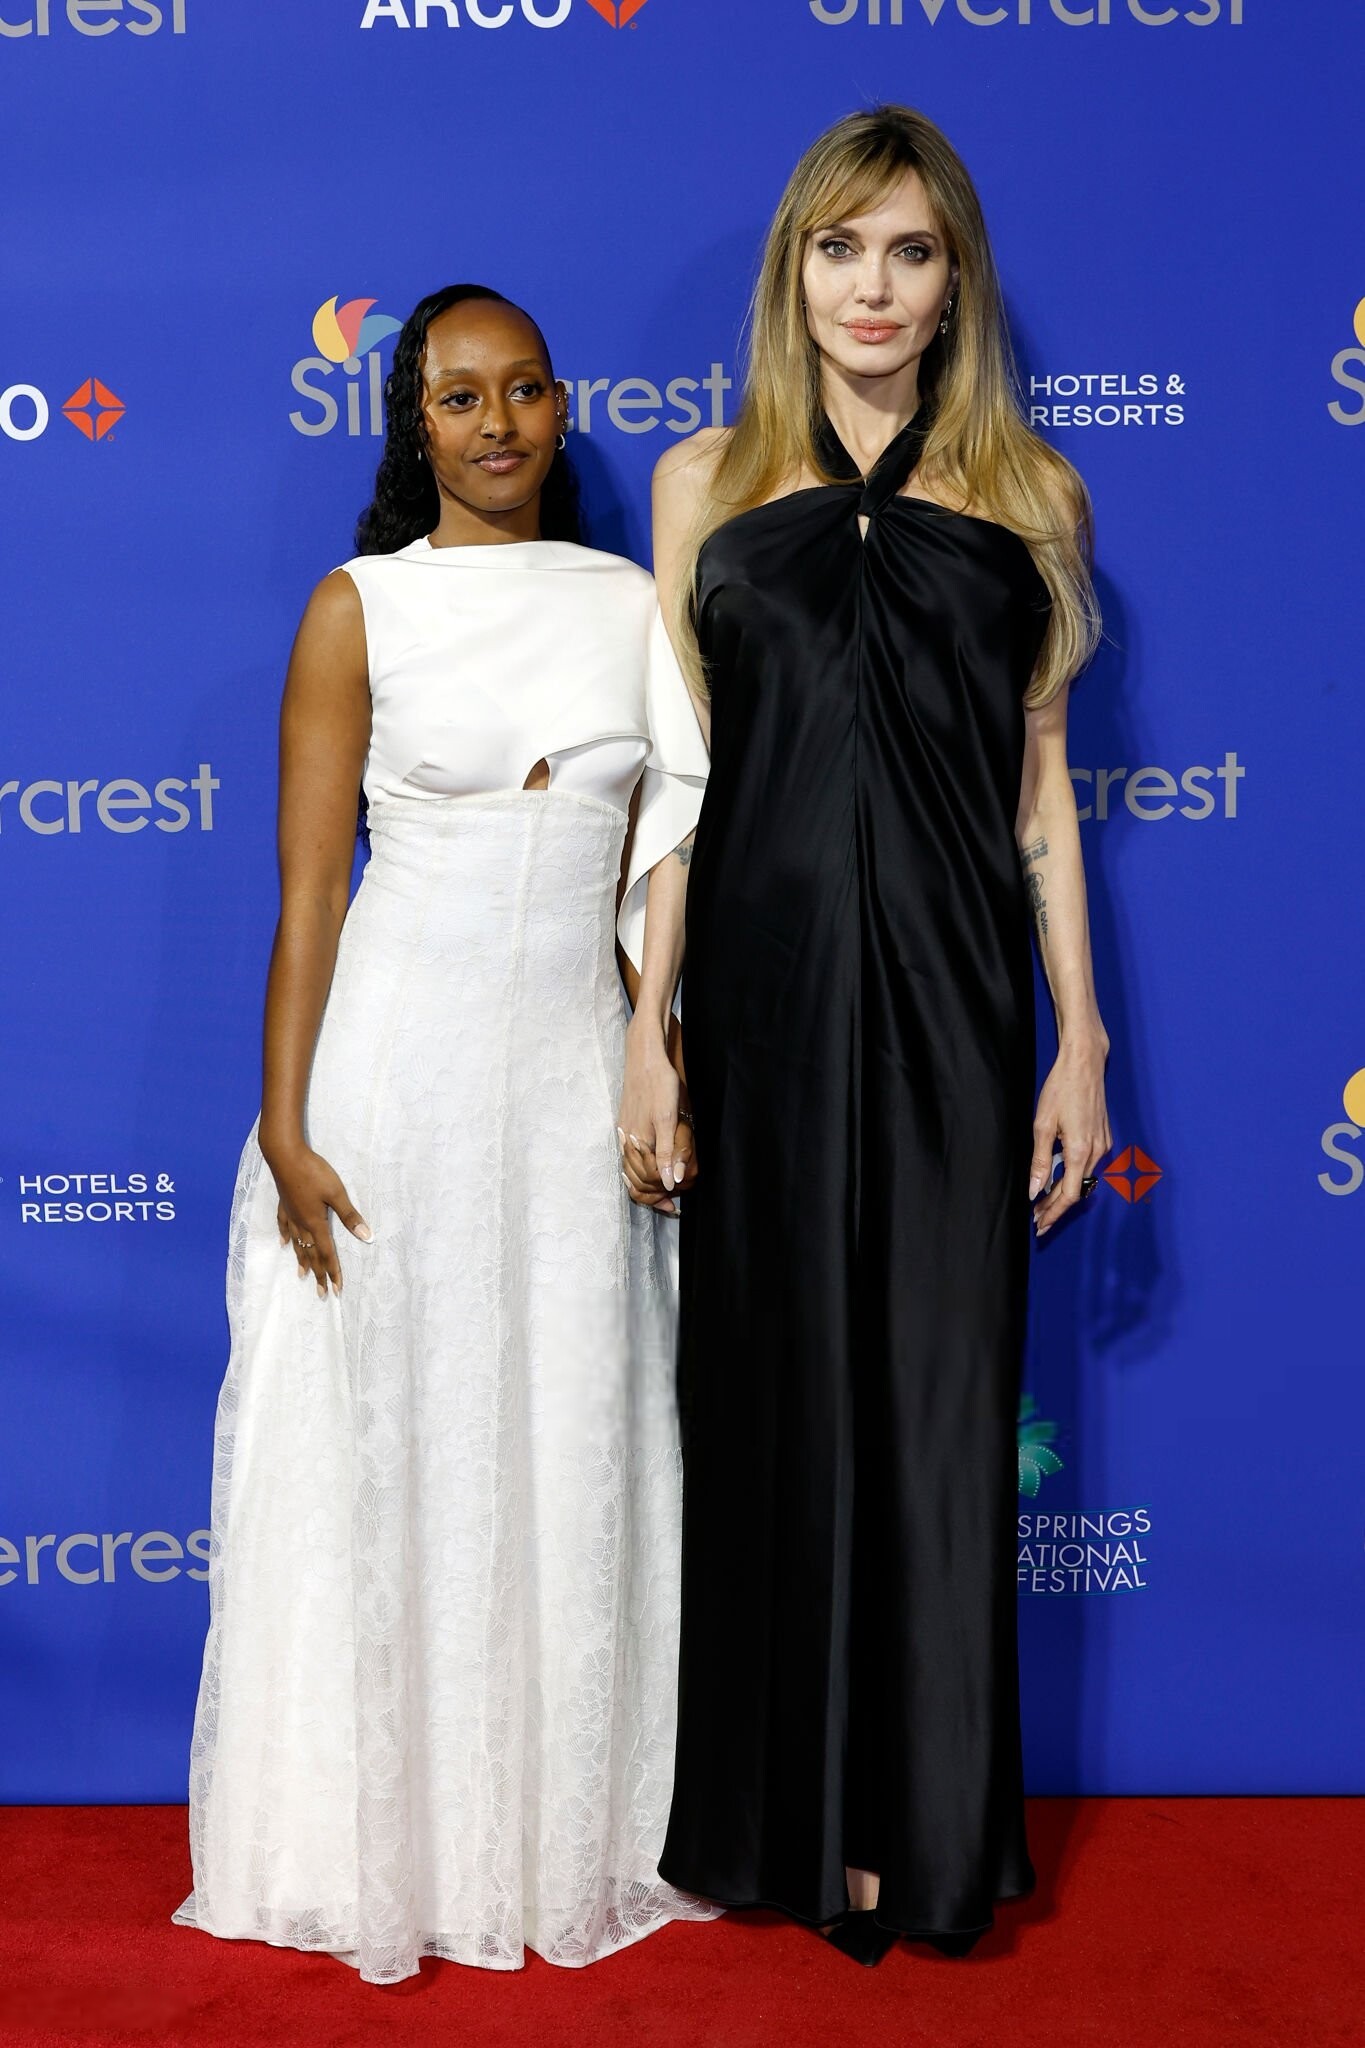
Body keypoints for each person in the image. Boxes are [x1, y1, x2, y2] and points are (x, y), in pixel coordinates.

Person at [174, 284, 713, 1983]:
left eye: (525, 390)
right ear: (413, 420)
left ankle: (562, 1832)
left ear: (560, 411)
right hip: (393, 1078)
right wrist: (284, 1123)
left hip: (569, 1082)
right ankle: (367, 1844)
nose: (496, 423)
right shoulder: (360, 610)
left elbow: (659, 866)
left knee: (565, 1431)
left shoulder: (629, 603)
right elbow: (310, 896)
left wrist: (657, 1053)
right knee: (388, 1449)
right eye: (460, 395)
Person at [632, 105, 1112, 1966]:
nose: (874, 288)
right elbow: (680, 783)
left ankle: (922, 1834)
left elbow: (1040, 790)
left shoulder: (1031, 495)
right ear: (794, 272)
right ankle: (782, 1828)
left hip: (950, 1002)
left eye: (911, 251)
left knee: (932, 1415)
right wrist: (650, 1023)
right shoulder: (701, 483)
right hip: (757, 1006)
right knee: (764, 1404)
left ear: (955, 279)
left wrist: (1079, 1044)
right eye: (842, 249)